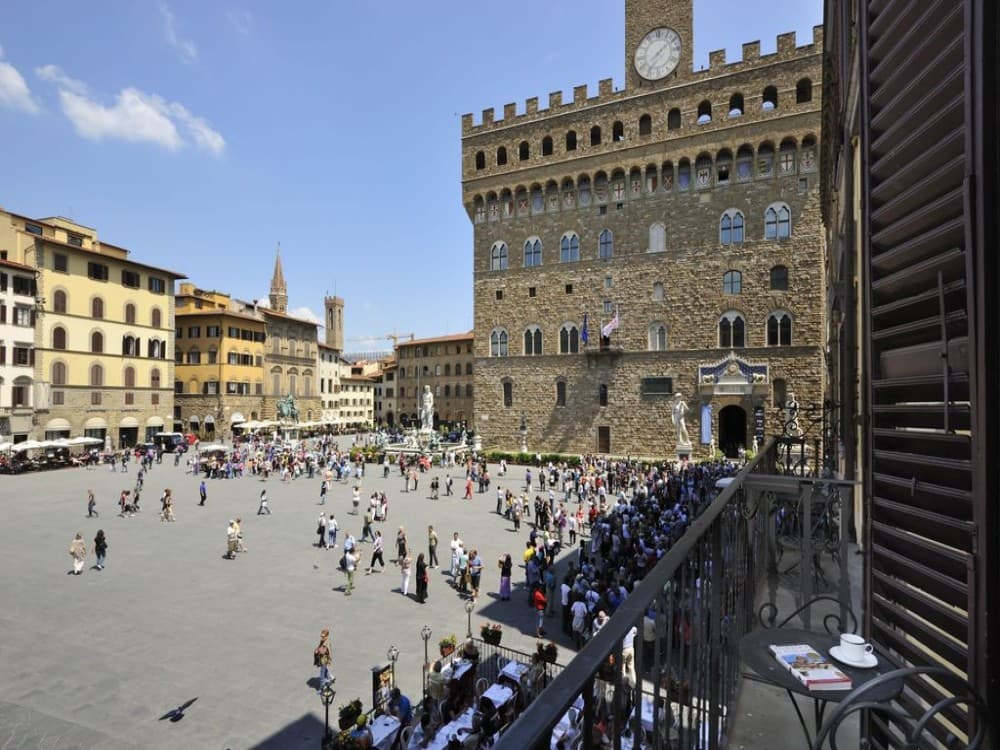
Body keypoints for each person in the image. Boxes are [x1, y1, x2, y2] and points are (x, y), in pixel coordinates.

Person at [314, 628, 332, 693]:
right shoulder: (322, 641)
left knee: (322, 674)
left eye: (323, 636)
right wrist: (317, 649)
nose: (322, 637)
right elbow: (319, 646)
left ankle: (322, 688)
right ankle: (330, 678)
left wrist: (330, 660)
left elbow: (328, 651)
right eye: (321, 636)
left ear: (327, 636)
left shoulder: (327, 642)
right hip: (321, 658)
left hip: (324, 659)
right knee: (324, 670)